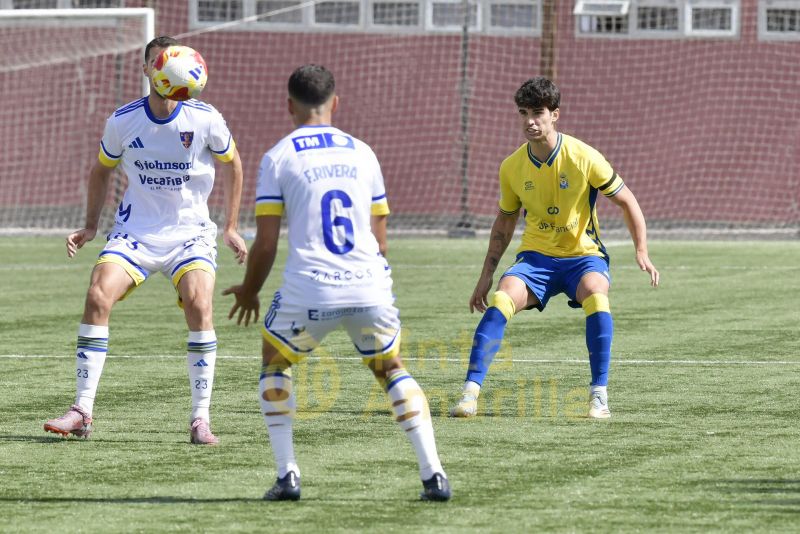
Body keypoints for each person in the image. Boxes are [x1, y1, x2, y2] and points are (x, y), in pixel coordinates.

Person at [223, 64, 450, 501]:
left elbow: (266, 244)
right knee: (391, 369)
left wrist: (250, 289)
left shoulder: (279, 156)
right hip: (368, 283)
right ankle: (433, 475)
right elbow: (381, 240)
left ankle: (288, 475)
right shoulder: (363, 152)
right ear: (335, 102)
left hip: (311, 289)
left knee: (275, 362)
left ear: (288, 105)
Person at [43, 36, 248, 445]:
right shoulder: (122, 120)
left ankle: (200, 418)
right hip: (135, 232)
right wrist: (90, 226)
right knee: (98, 295)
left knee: (199, 302)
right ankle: (82, 410)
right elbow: (101, 170)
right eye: (159, 62)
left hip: (190, 234)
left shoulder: (205, 118)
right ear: (148, 70)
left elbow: (233, 165)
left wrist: (229, 226)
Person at [450, 76, 659, 420]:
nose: (530, 121)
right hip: (536, 259)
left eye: (537, 113)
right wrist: (485, 276)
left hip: (583, 257)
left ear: (554, 115)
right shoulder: (512, 167)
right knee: (502, 299)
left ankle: (599, 396)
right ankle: (470, 394)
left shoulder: (584, 156)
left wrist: (641, 250)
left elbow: (627, 200)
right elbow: (504, 223)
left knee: (597, 294)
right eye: (523, 113)